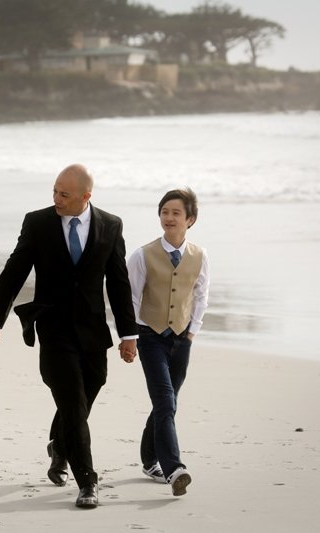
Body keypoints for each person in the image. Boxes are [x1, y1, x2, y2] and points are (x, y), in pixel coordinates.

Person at [0, 163, 138, 509]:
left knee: (91, 387)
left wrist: (129, 333)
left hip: (94, 331)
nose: (56, 198)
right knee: (73, 405)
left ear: (86, 196)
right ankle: (88, 482)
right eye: (54, 191)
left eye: (64, 194)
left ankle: (59, 446)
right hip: (54, 330)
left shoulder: (110, 225)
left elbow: (119, 282)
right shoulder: (37, 222)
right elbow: (14, 271)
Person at [126, 187, 210, 497]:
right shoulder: (142, 254)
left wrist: (192, 332)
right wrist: (130, 337)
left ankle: (149, 459)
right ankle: (174, 467)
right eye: (165, 212)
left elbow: (201, 294)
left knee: (167, 402)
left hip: (182, 339)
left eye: (176, 213)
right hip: (150, 337)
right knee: (165, 401)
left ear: (191, 219)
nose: (169, 217)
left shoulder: (199, 256)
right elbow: (130, 298)